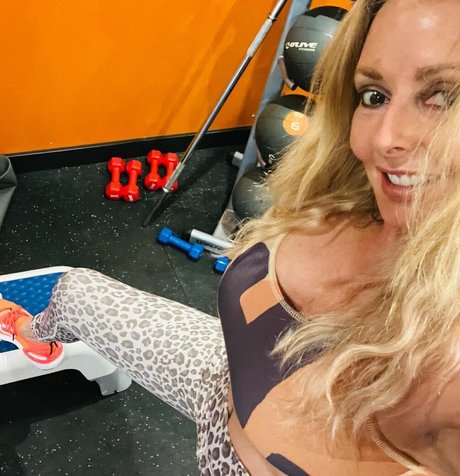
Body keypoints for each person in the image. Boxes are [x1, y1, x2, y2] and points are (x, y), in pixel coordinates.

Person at [1, 0, 459, 474]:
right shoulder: (352, 198)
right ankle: (32, 334)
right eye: (374, 95)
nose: (383, 139)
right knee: (74, 292)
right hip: (218, 386)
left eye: (444, 97)